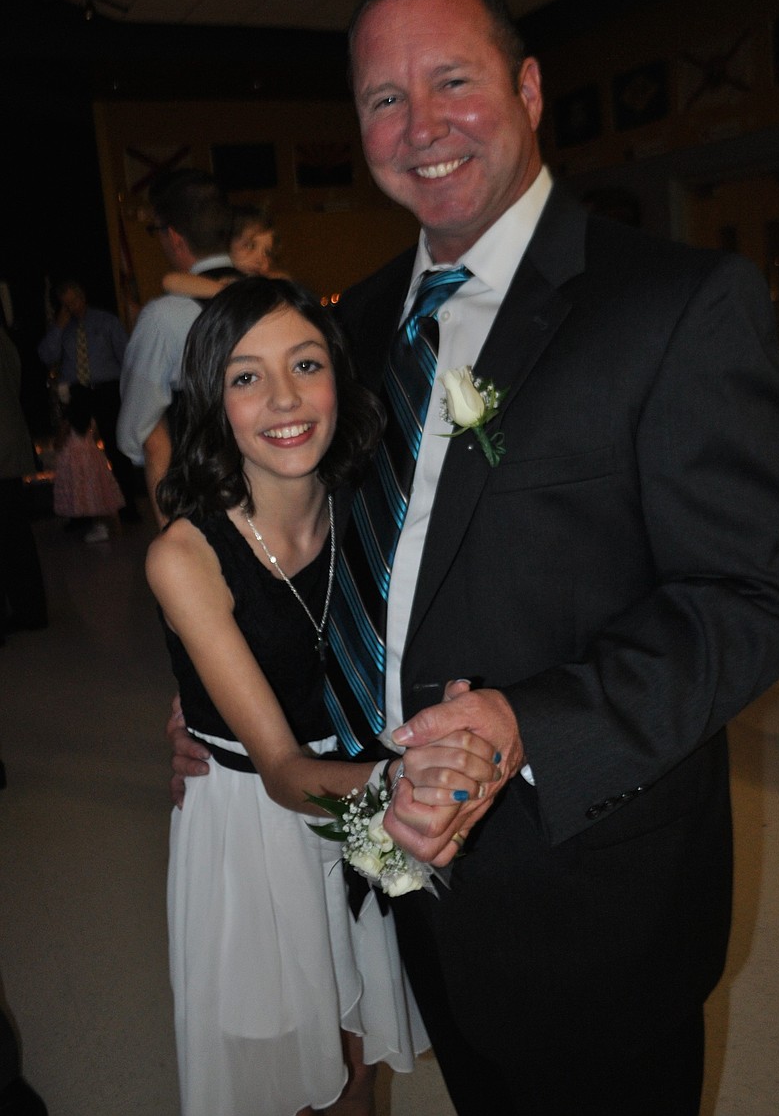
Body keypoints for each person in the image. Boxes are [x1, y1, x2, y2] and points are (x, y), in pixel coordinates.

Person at [171, 0, 779, 1114]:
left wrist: (530, 723)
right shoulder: (353, 324)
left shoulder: (676, 302)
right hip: (404, 862)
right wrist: (225, 693)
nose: (420, 125)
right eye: (383, 97)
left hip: (588, 886)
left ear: (527, 90)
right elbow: (312, 541)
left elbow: (757, 594)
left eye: (452, 80)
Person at [149, 275, 497, 1116]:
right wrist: (401, 789)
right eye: (245, 376)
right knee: (289, 1073)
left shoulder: (368, 507)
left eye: (305, 363)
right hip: (257, 822)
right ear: (212, 401)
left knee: (357, 1059)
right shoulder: (186, 555)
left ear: (340, 374)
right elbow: (276, 766)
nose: (283, 398)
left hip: (361, 795)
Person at [117, 169, 236, 525]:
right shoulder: (282, 295)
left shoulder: (163, 317)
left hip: (211, 500)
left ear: (173, 237)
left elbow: (136, 430)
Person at [37, 280, 140, 522]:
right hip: (78, 392)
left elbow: (126, 356)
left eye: (73, 300)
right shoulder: (63, 328)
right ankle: (80, 515)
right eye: (65, 304)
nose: (71, 307)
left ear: (82, 297)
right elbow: (45, 355)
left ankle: (129, 508)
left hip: (106, 388)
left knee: (116, 448)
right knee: (76, 452)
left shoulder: (106, 322)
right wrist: (58, 328)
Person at [0, 320, 47, 644]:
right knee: (16, 534)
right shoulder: (3, 338)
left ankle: (25, 611)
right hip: (8, 443)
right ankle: (31, 611)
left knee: (12, 535)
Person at [160, 203, 289, 303]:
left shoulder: (266, 282)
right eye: (249, 246)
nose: (260, 259)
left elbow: (284, 279)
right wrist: (227, 290)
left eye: (267, 253)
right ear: (226, 243)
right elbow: (170, 281)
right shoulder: (222, 278)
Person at [50, 387, 124, 542]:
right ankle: (97, 523)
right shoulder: (90, 420)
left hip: (72, 461)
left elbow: (59, 441)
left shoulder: (68, 421)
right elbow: (96, 437)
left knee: (78, 489)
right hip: (92, 457)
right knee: (93, 490)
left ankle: (83, 520)